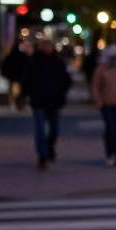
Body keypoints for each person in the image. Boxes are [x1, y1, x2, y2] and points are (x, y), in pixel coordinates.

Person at [21, 39, 72, 169]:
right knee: (40, 129)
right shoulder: (34, 62)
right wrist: (25, 94)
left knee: (54, 129)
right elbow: (26, 79)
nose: (47, 49)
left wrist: (61, 92)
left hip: (54, 101)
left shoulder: (57, 62)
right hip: (39, 100)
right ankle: (42, 155)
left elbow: (66, 80)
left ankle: (49, 147)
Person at [0, 40, 30, 110]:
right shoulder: (23, 56)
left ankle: (13, 103)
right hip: (19, 76)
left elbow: (5, 65)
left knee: (13, 90)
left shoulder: (11, 55)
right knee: (21, 90)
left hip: (13, 76)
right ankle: (19, 103)